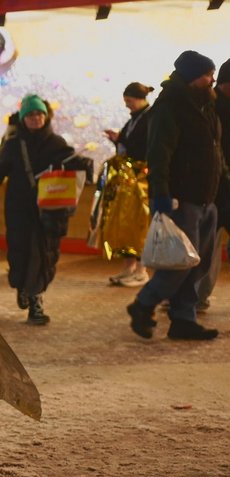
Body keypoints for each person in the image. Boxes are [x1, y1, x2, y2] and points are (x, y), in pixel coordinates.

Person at [126, 51, 227, 341]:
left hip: (207, 198)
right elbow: (159, 154)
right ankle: (143, 304)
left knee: (199, 263)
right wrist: (161, 194)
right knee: (180, 263)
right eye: (207, 75)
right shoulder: (169, 106)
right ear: (192, 76)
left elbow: (214, 151)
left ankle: (184, 318)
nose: (212, 80)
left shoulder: (206, 106)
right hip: (181, 199)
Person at [0, 94, 75, 326]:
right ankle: (26, 290)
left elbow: (72, 166)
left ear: (46, 116)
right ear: (23, 119)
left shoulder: (57, 143)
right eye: (30, 114)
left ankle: (34, 298)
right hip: (20, 210)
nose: (35, 118)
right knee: (21, 253)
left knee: (43, 254)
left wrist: (86, 168)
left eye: (39, 113)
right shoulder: (14, 145)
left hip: (48, 212)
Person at [102, 82, 154, 287]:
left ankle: (141, 270)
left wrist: (122, 141)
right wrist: (118, 140)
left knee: (140, 225)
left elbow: (143, 146)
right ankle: (128, 267)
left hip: (141, 182)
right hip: (129, 181)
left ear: (140, 99)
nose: (127, 105)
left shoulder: (149, 118)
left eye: (129, 101)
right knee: (126, 223)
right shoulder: (135, 119)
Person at [197, 58, 230, 311]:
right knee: (207, 243)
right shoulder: (210, 105)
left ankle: (194, 296)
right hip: (215, 186)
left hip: (220, 183)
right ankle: (195, 295)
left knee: (208, 242)